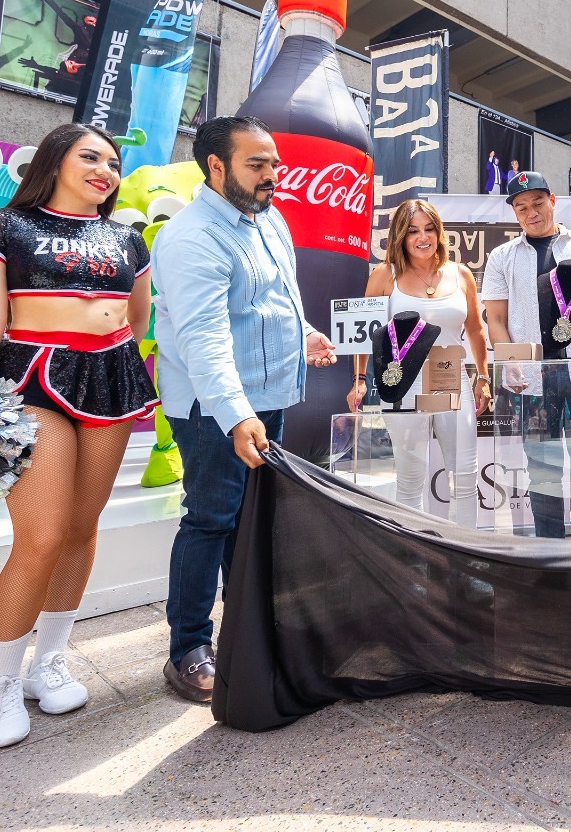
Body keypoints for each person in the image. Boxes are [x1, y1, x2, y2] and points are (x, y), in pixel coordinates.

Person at [0, 122, 159, 749]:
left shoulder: (128, 236)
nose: (105, 171)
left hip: (111, 379)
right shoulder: (4, 227)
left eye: (113, 163)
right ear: (54, 161)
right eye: (90, 157)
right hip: (32, 381)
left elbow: (138, 314)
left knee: (81, 527)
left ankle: (50, 660)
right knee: (40, 535)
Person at [153, 116, 336, 703]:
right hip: (215, 409)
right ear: (215, 166)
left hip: (267, 397)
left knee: (253, 517)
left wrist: (304, 332)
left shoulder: (270, 219)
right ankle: (187, 648)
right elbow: (202, 335)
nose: (271, 176)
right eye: (257, 164)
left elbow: (272, 298)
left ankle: (247, 629)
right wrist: (236, 415)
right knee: (211, 517)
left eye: (274, 163)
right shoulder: (190, 237)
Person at [482, 171, 571, 538]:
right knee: (541, 467)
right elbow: (495, 319)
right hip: (531, 377)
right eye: (522, 207)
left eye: (538, 203)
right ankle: (548, 545)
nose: (532, 212)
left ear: (553, 201)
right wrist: (509, 362)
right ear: (515, 213)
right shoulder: (502, 257)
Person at [348, 199, 492, 523]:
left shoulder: (461, 275)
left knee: (466, 477)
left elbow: (476, 331)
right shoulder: (386, 275)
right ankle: (416, 562)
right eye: (412, 231)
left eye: (429, 229)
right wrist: (358, 379)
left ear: (439, 232)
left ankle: (467, 557)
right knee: (411, 481)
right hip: (402, 385)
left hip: (451, 380)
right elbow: (363, 332)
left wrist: (483, 378)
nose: (422, 237)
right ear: (400, 235)